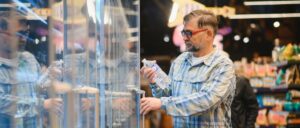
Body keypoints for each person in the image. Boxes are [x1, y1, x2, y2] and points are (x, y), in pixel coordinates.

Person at [140, 10, 236, 127]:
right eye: (183, 32)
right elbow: (168, 95)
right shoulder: (180, 61)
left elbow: (206, 100)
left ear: (209, 34)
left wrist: (162, 103)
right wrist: (154, 81)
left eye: (189, 33)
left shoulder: (223, 65)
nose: (185, 38)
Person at [0, 13, 62, 128]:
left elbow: (37, 88)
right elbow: (3, 103)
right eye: (19, 34)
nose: (24, 39)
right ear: (2, 34)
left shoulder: (28, 59)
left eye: (26, 33)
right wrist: (42, 105)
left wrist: (49, 76)